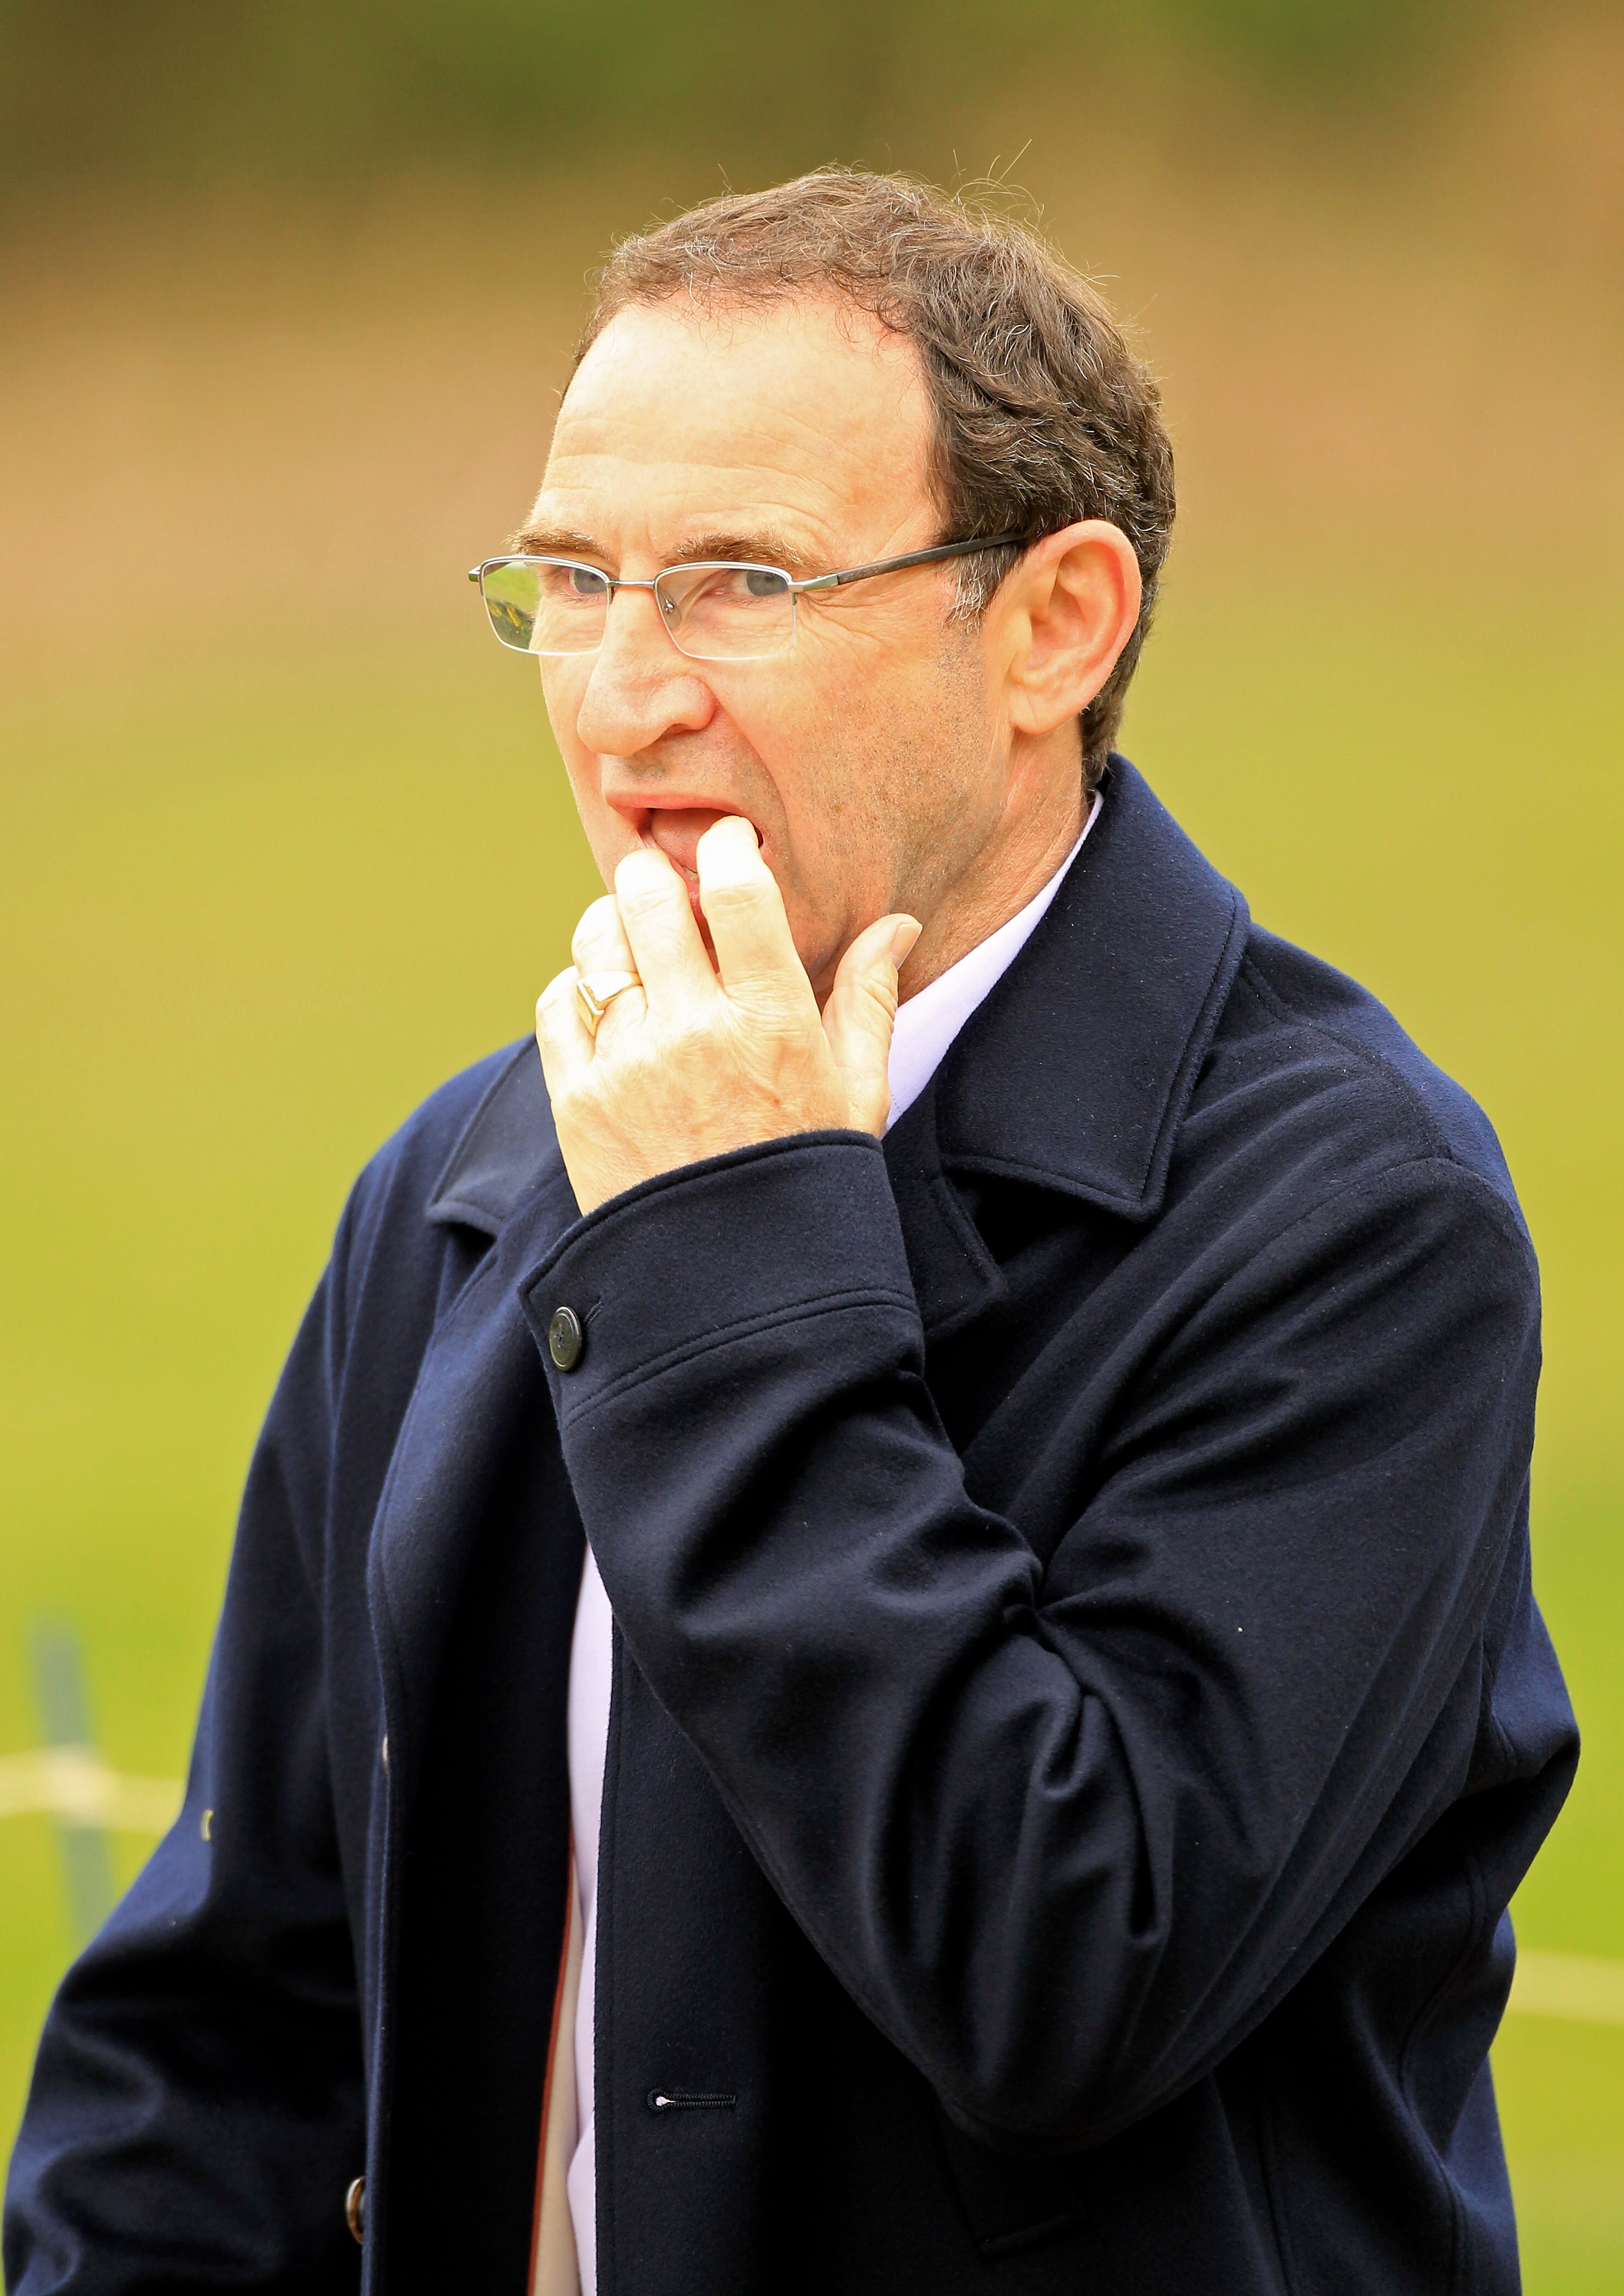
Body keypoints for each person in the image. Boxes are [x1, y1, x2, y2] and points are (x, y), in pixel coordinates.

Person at [4, 170, 1576, 2296]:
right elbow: (222, 2048)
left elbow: (1054, 1969)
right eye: (569, 580)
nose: (622, 694)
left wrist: (736, 1256)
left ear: (1053, 623)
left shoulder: (1352, 1217)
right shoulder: (470, 1177)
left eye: (739, 580)